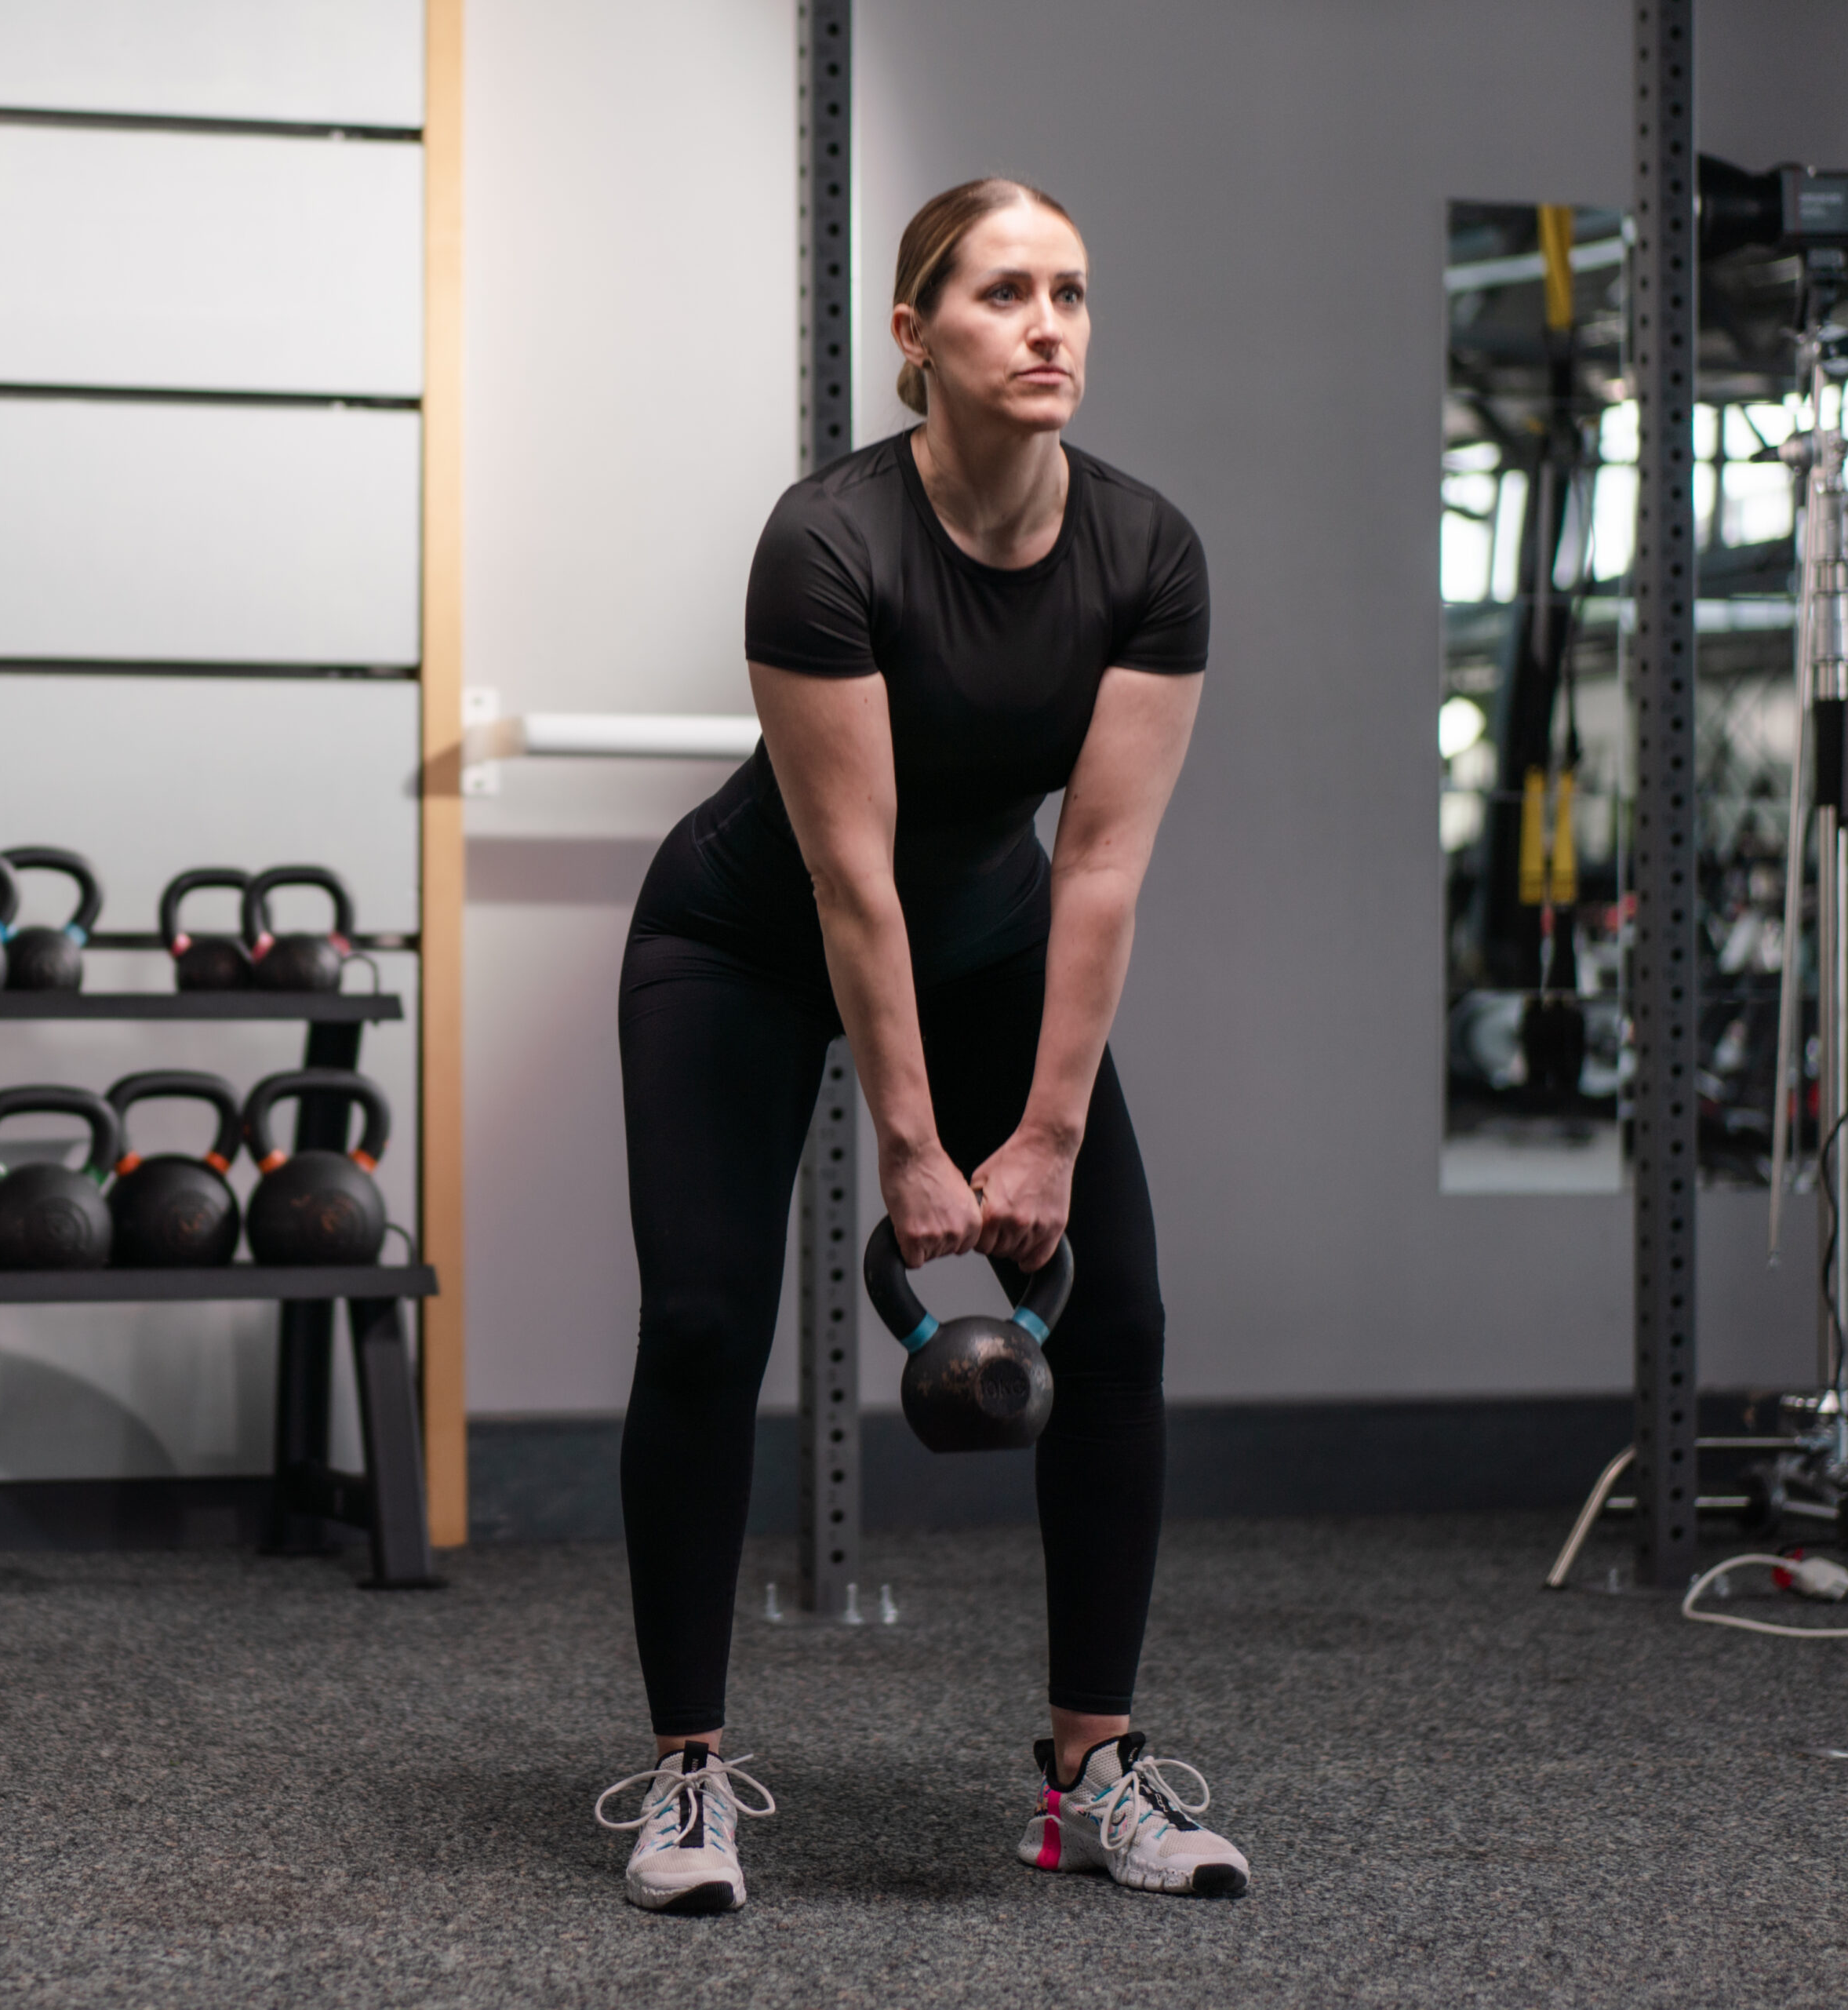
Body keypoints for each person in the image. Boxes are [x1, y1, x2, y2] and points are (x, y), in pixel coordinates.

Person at [592, 178, 1246, 1912]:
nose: (1051, 326)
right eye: (1005, 294)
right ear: (914, 335)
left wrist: (1037, 1134)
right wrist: (907, 1142)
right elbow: (846, 874)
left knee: (1121, 1316)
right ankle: (685, 1780)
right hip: (739, 937)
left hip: (988, 935)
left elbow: (1098, 868)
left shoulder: (1146, 553)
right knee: (706, 1315)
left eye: (1075, 295)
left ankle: (1091, 1769)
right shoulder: (829, 540)